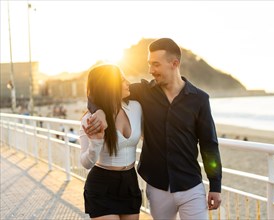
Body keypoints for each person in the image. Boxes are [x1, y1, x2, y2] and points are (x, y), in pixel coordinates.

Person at [86, 38, 222, 220]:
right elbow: (101, 91)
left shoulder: (199, 99)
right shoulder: (143, 92)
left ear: (174, 64)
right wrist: (99, 111)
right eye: (149, 64)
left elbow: (209, 145)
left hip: (191, 185)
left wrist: (215, 186)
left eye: (156, 65)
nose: (151, 70)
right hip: (157, 187)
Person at [79, 64, 142, 220]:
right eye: (122, 80)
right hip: (102, 185)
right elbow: (86, 163)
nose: (128, 82)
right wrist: (97, 142)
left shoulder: (136, 107)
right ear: (109, 86)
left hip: (129, 182)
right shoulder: (90, 119)